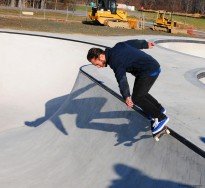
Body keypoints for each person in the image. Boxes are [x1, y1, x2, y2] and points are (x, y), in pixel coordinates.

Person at [86, 39, 169, 135]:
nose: (98, 66)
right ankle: (158, 109)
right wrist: (145, 44)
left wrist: (126, 96)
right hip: (152, 66)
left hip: (148, 71)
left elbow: (121, 79)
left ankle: (160, 117)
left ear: (101, 56)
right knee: (141, 93)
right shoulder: (118, 45)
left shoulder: (114, 61)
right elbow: (133, 43)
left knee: (137, 98)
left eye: (96, 64)